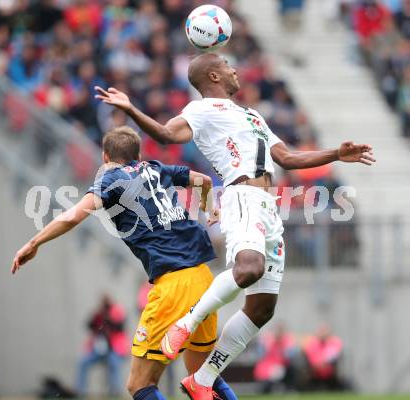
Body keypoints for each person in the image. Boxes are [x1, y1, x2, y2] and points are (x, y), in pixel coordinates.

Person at [94, 51, 376, 400]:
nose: (234, 69)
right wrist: (132, 109)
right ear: (213, 76)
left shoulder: (253, 115)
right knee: (249, 268)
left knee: (262, 309)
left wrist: (335, 153)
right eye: (227, 64)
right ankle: (186, 324)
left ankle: (203, 378)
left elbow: (286, 157)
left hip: (268, 208)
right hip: (242, 197)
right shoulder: (200, 110)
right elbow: (167, 135)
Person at [11, 126, 238, 400]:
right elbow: (202, 180)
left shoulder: (110, 180)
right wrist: (208, 207)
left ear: (105, 157)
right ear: (138, 154)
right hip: (203, 278)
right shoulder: (155, 168)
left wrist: (34, 242)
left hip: (173, 286)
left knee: (139, 384)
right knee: (201, 377)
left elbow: (72, 217)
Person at [76, 294, 129, 396]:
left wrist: (108, 318)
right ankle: (80, 391)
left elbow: (120, 326)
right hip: (98, 350)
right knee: (82, 362)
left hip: (113, 350)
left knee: (114, 364)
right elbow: (89, 325)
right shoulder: (99, 314)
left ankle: (115, 391)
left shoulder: (116, 312)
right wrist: (97, 315)